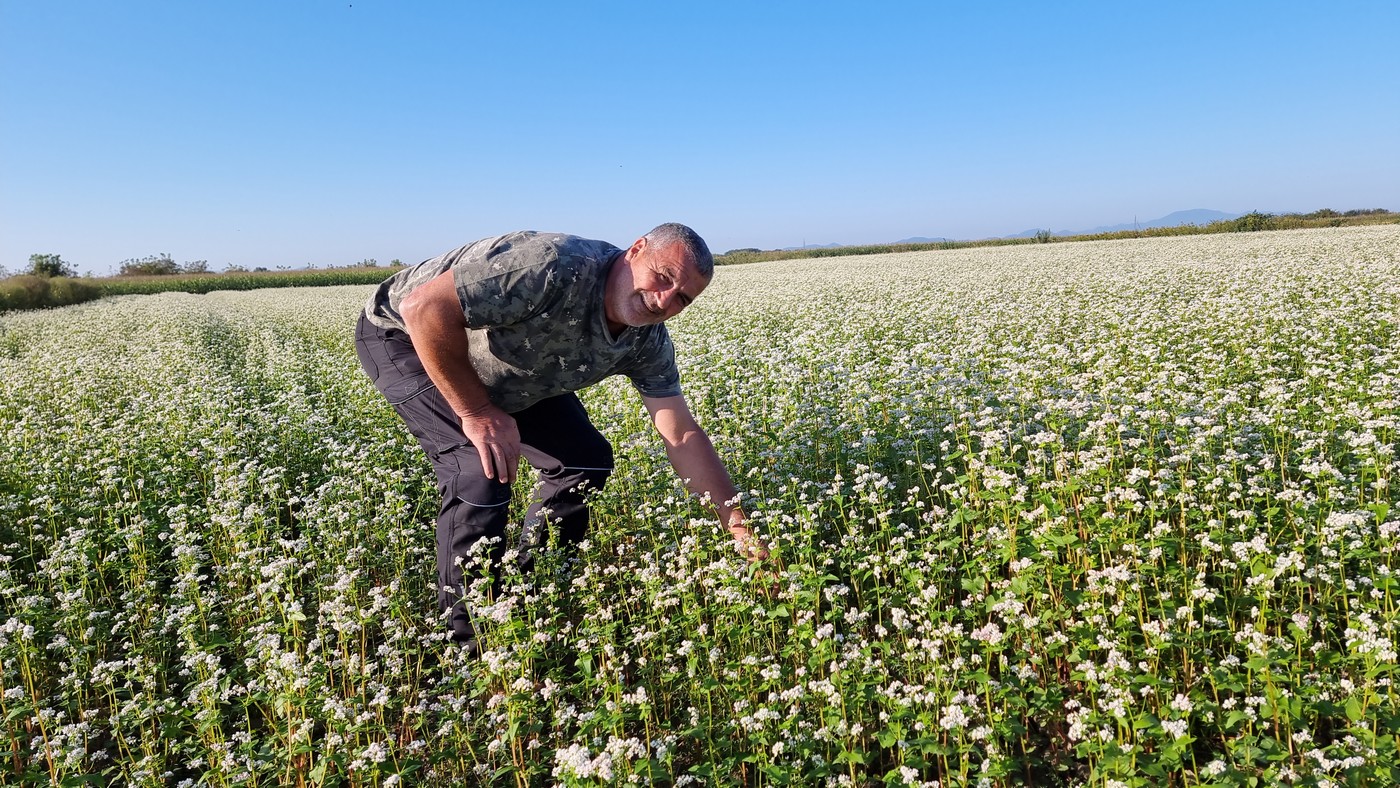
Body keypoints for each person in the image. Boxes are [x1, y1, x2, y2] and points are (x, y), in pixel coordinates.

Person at [354, 223, 764, 646]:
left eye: (682, 298)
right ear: (635, 250)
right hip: (404, 334)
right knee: (479, 469)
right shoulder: (553, 266)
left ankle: (535, 592)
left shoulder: (645, 341)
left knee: (583, 459)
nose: (663, 300)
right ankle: (466, 644)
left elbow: (680, 435)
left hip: (504, 365)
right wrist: (477, 411)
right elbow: (423, 307)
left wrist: (739, 530)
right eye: (662, 277)